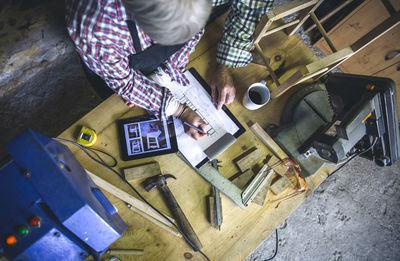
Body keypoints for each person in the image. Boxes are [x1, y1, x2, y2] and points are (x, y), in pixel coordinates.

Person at [65, 0, 273, 140]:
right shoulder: (96, 25)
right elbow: (125, 81)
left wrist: (225, 63)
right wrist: (179, 109)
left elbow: (251, 5)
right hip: (116, 66)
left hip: (151, 58)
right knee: (114, 111)